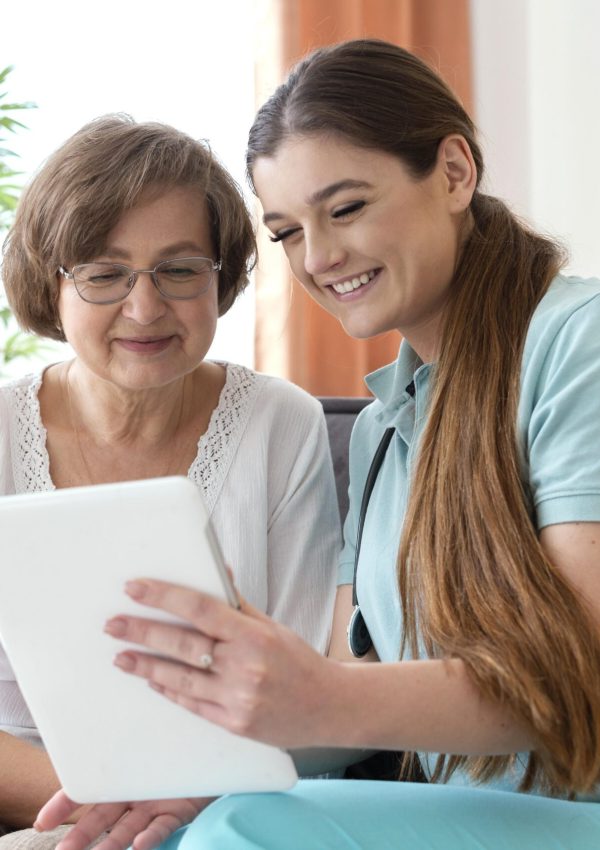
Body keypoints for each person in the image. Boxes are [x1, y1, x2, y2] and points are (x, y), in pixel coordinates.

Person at [34, 38, 600, 850]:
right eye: (289, 231)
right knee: (222, 821)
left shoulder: (577, 342)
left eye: (345, 208)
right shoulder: (379, 433)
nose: (321, 258)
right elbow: (353, 709)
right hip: (470, 816)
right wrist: (187, 775)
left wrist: (317, 695)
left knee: (241, 830)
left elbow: (577, 675)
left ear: (453, 173)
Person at [0, 114, 341, 846]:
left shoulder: (283, 423)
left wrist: (180, 806)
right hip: (41, 813)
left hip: (231, 811)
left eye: (180, 269)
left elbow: (315, 683)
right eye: (104, 274)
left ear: (221, 278)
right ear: (51, 285)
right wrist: (98, 809)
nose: (145, 307)